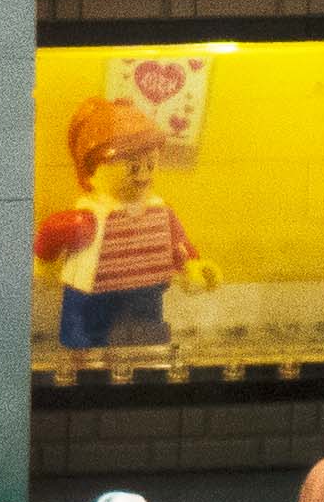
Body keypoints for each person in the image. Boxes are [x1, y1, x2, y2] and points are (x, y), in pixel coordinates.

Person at [34, 91, 212, 356]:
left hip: (147, 295)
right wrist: (44, 264)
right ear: (92, 172)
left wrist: (193, 266)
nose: (143, 176)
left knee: (144, 348)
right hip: (94, 299)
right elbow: (52, 230)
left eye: (150, 165)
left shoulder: (160, 211)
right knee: (88, 350)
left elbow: (178, 244)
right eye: (132, 168)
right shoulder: (91, 217)